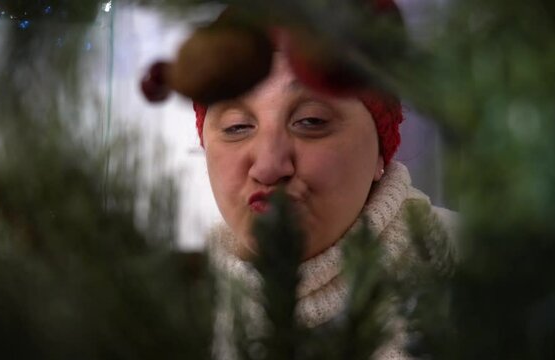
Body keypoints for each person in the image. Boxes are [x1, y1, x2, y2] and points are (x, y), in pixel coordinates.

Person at [191, 30, 457, 360]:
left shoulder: (488, 282)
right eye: (236, 126)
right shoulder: (170, 309)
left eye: (310, 121)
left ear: (381, 154)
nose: (270, 166)